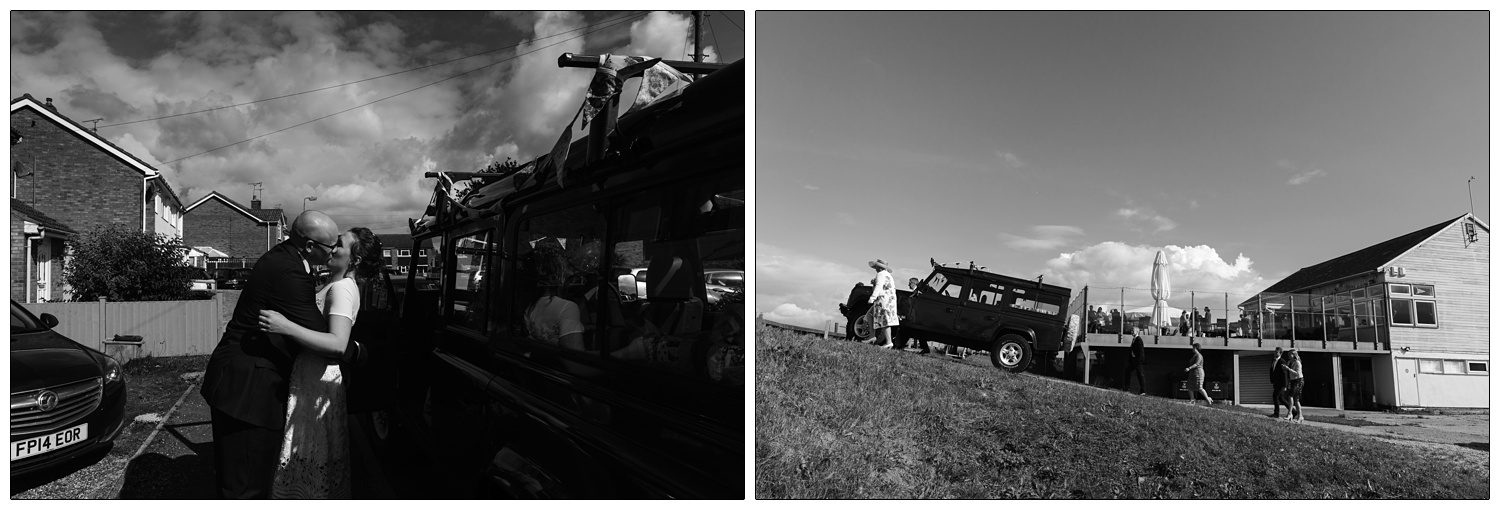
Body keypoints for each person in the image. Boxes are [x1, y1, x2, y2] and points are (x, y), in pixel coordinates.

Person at [200, 211, 366, 499]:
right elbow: (326, 337)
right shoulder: (290, 272)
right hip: (248, 391)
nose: (334, 250)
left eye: (339, 245)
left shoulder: (284, 259)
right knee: (246, 484)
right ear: (310, 246)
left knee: (242, 476)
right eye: (331, 245)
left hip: (241, 383)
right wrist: (358, 352)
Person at [258, 227, 383, 498]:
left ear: (355, 260)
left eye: (339, 245)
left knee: (308, 455)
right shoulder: (332, 285)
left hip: (317, 380)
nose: (332, 248)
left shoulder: (342, 289)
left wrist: (286, 326)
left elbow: (337, 343)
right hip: (309, 375)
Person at [866, 259, 899, 348]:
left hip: (882, 300)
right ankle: (872, 336)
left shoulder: (880, 275)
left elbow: (879, 286)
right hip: (889, 300)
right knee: (871, 315)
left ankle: (888, 342)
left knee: (884, 320)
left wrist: (872, 297)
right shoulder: (888, 275)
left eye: (876, 267)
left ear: (879, 268)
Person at [1284, 349, 1305, 422]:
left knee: (1290, 396)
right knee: (1296, 399)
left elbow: (1297, 373)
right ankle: (1300, 416)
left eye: (1290, 354)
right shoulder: (1289, 362)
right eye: (1288, 354)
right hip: (1292, 381)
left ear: (1294, 355)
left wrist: (1288, 369)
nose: (1289, 356)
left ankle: (1290, 413)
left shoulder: (1297, 362)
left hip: (1298, 381)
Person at [1268, 347, 1289, 418]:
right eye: (1274, 352)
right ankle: (1293, 411)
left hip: (1281, 383)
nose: (1275, 353)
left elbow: (1284, 374)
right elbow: (1272, 370)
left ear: (1280, 353)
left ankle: (1276, 413)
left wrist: (1285, 385)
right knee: (1280, 398)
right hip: (1276, 383)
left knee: (1275, 396)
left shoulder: (1282, 361)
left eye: (1276, 352)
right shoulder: (1273, 361)